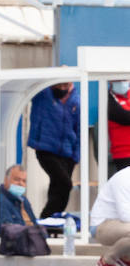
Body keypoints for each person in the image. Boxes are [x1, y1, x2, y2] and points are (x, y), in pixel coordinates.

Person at [27, 82, 80, 220]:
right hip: (46, 149)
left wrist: (76, 156)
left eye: (65, 85)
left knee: (58, 188)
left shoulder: (76, 100)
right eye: (59, 85)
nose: (62, 88)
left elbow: (79, 130)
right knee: (65, 183)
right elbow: (33, 83)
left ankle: (51, 223)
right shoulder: (43, 94)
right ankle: (45, 219)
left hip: (68, 153)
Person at [89, 164, 130, 266]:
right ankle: (108, 260)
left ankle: (125, 258)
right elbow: (125, 215)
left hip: (122, 225)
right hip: (102, 226)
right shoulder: (124, 178)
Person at [107, 79, 130, 178]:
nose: (122, 82)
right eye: (118, 80)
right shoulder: (108, 99)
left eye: (124, 79)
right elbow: (124, 117)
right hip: (123, 154)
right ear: (111, 81)